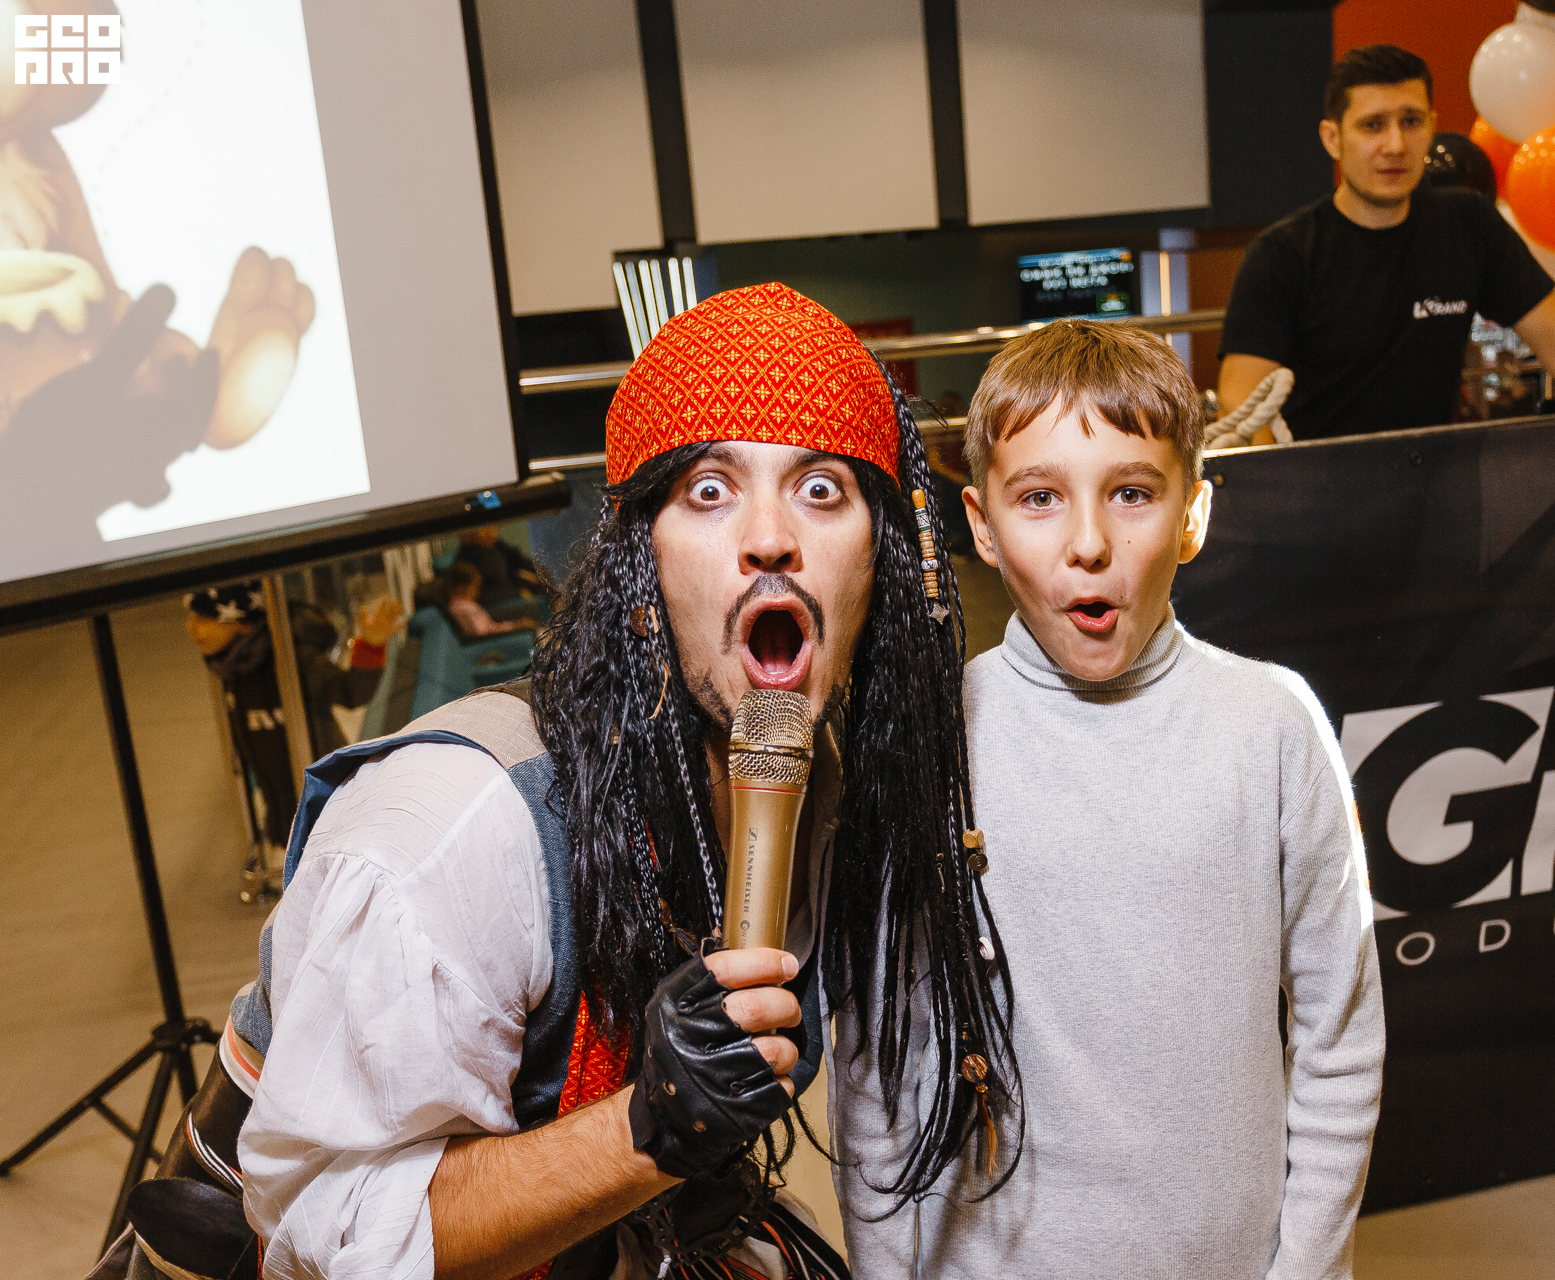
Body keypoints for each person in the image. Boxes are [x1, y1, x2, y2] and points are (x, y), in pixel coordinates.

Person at [127, 284, 1017, 1280]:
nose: (771, 536)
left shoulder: (818, 792)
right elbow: (332, 1236)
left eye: (821, 489)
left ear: (878, 567)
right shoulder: (457, 828)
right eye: (710, 490)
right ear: (641, 569)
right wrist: (647, 1127)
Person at [833, 318, 1385, 1278]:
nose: (1088, 544)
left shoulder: (1274, 727)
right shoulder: (927, 746)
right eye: (1040, 499)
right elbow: (880, 1070)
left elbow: (1339, 1042)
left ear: (1192, 514)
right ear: (982, 527)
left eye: (1131, 493)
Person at [1217, 43, 1555, 442]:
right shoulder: (1283, 255)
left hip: (1439, 475)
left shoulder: (1468, 222)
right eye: (1372, 125)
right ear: (1332, 138)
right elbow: (1240, 407)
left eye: (1411, 122)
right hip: (1320, 482)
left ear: (1432, 125)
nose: (1396, 145)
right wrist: (1273, 487)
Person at [185, 583, 404, 844]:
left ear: (240, 624)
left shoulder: (293, 659)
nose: (190, 627)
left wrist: (371, 646)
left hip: (329, 808)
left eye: (203, 619)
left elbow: (349, 692)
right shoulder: (232, 667)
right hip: (284, 814)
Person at [442, 560, 541, 638]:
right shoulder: (464, 609)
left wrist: (514, 624)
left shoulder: (464, 605)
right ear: (461, 588)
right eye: (475, 587)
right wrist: (516, 626)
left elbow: (490, 627)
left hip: (495, 633)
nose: (477, 592)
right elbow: (486, 633)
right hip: (493, 641)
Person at [455, 523, 545, 605]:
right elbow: (481, 596)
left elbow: (522, 561)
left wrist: (540, 575)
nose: (491, 531)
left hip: (516, 593)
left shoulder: (497, 546)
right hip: (500, 604)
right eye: (484, 528)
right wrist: (517, 593)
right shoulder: (465, 559)